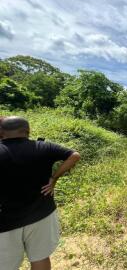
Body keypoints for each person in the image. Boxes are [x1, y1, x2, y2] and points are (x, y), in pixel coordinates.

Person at [0, 116, 81, 270]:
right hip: (41, 213)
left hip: (5, 221)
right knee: (40, 258)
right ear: (27, 131)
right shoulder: (43, 147)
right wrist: (54, 178)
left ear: (1, 131)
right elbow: (74, 156)